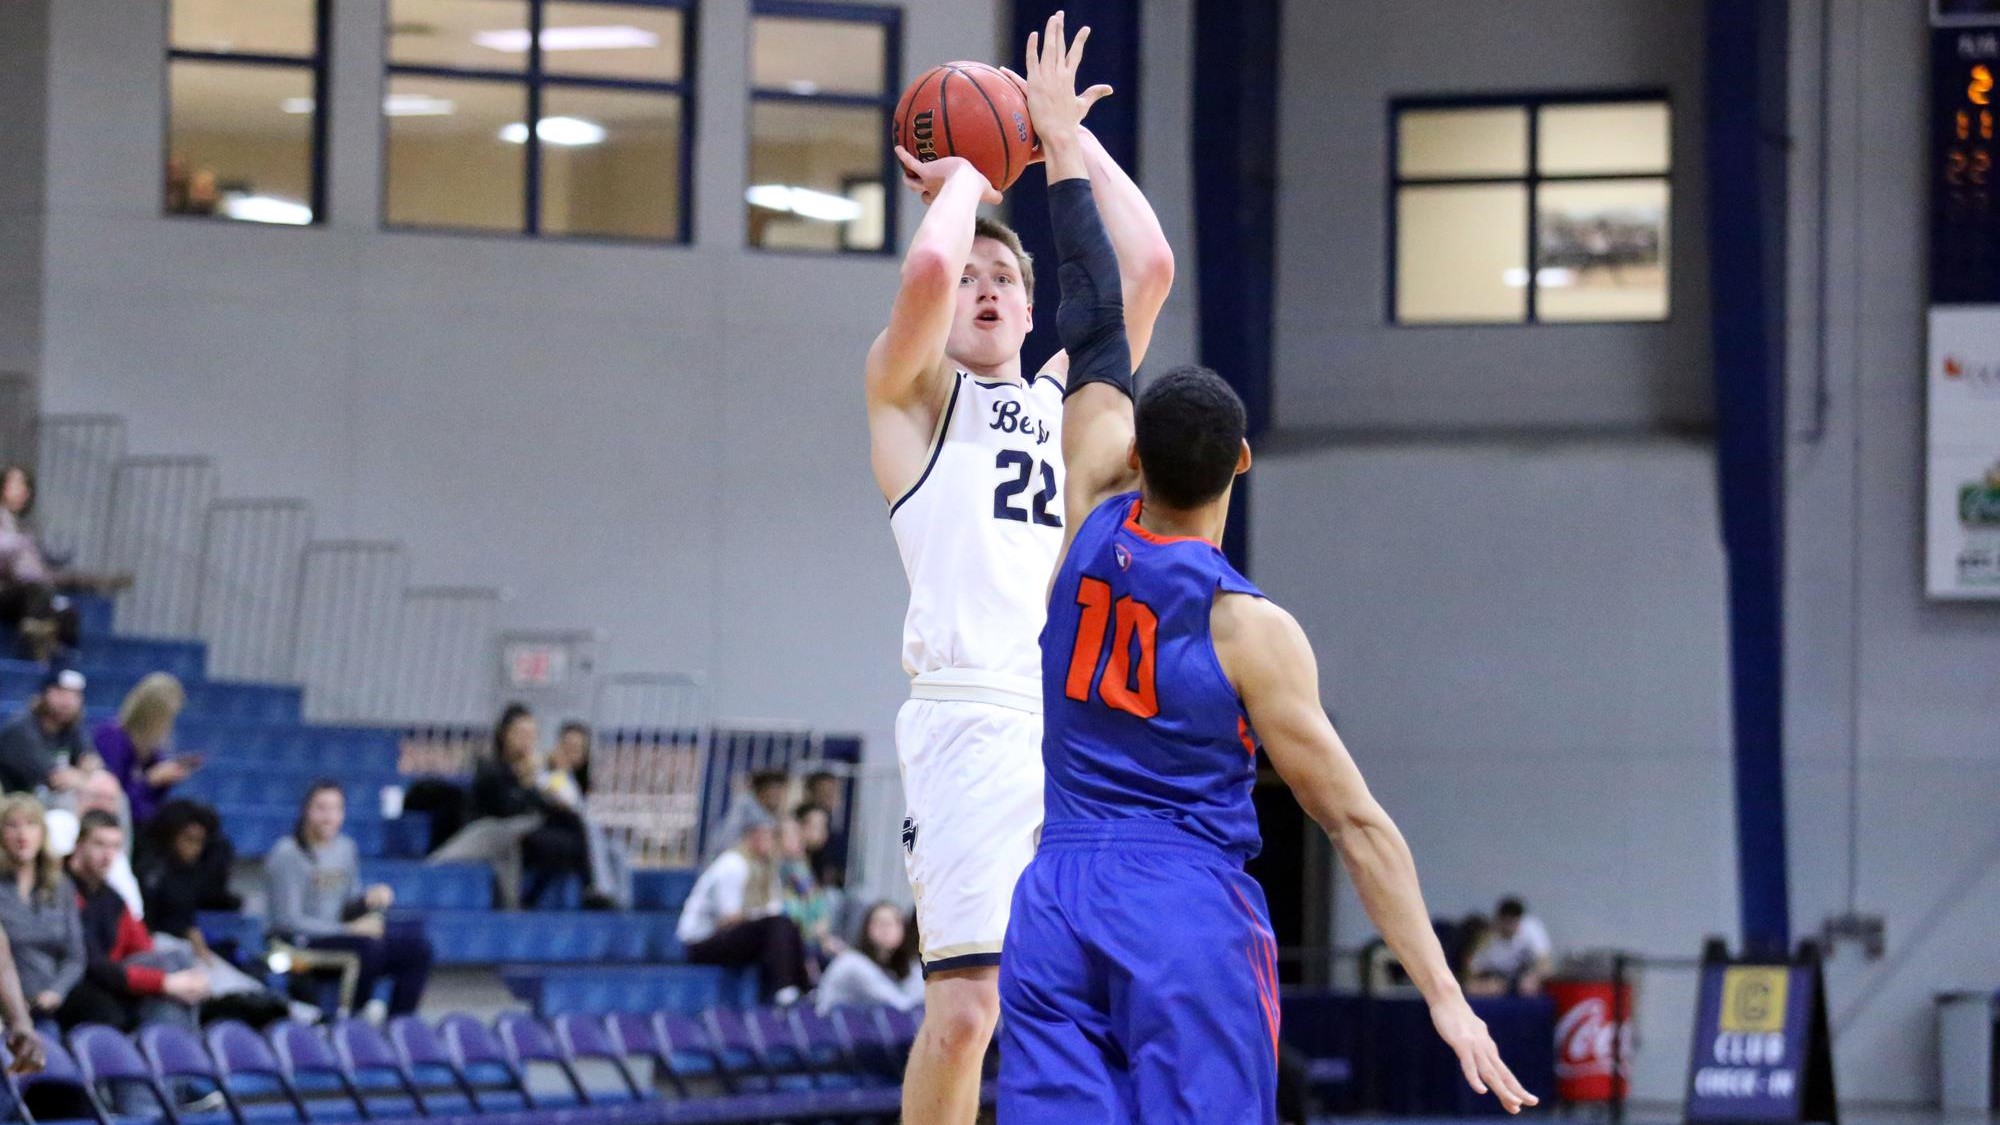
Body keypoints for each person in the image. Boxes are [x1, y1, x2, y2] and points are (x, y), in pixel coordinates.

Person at [996, 22, 1537, 1120]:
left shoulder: (1088, 504)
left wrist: (1058, 143)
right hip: (1179, 911)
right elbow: (1354, 825)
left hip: (1051, 895)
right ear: (1240, 462)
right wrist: (1443, 995)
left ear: (1134, 455)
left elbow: (1092, 311)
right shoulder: (1250, 631)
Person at [867, 20, 1174, 1124]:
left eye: (1009, 277)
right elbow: (931, 263)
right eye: (975, 283)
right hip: (963, 720)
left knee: (1092, 1000)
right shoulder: (907, 402)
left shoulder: (1062, 404)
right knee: (964, 1014)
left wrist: (1058, 144)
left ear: (1036, 310)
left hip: (1066, 721)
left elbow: (1146, 265)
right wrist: (963, 178)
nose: (984, 288)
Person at [265, 782, 433, 1017]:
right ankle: (354, 1018)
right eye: (321, 808)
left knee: (416, 948)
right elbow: (287, 920)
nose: (329, 817)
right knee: (368, 947)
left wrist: (368, 901)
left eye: (336, 809)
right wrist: (347, 929)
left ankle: (399, 1025)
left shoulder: (346, 848)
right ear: (306, 811)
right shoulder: (287, 852)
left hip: (341, 935)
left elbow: (348, 905)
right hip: (299, 941)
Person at [60, 811, 207, 1031]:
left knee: (178, 958)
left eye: (114, 847)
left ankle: (179, 1047)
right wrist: (164, 983)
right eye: (100, 844)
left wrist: (179, 981)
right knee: (168, 981)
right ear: (79, 844)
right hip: (73, 981)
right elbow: (91, 963)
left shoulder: (112, 897)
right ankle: (173, 1050)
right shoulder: (59, 889)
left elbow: (143, 949)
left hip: (110, 979)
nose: (108, 855)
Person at [676, 811, 811, 1005]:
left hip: (737, 936)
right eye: (769, 835)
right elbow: (728, 919)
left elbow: (773, 908)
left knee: (787, 925)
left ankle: (804, 989)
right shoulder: (732, 864)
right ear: (754, 836)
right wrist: (760, 918)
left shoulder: (766, 868)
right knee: (777, 926)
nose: (773, 842)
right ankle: (785, 990)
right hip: (701, 941)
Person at [0, 795, 85, 1026]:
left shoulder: (60, 886)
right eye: (12, 825)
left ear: (43, 832)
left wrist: (56, 991)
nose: (22, 835)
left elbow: (75, 955)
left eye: (30, 824)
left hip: (46, 1005)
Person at [541, 721, 631, 909]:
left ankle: (622, 906)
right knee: (589, 826)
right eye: (569, 747)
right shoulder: (549, 773)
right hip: (557, 828)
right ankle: (601, 887)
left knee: (618, 850)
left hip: (584, 834)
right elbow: (565, 803)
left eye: (579, 748)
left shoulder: (580, 777)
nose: (573, 753)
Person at [92, 674, 200, 828]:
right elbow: (114, 798)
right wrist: (150, 780)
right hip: (115, 820)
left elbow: (152, 803)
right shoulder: (113, 738)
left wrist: (164, 780)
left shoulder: (151, 748)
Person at [0, 467, 80, 662]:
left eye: (25, 485)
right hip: (7, 590)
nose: (22, 490)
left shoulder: (22, 526)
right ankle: (35, 644)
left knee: (68, 614)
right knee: (35, 589)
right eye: (16, 483)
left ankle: (60, 671)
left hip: (26, 595)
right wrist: (21, 545)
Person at [45, 769, 145, 918]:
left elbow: (134, 909)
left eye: (110, 799)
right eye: (97, 796)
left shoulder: (113, 847)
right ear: (79, 797)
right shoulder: (57, 822)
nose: (102, 804)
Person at [815, 901, 923, 1014]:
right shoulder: (852, 963)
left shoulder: (896, 966)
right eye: (879, 923)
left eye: (893, 923)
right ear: (866, 928)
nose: (886, 929)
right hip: (830, 1027)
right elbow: (902, 1005)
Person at [0, 669, 89, 798]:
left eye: (74, 695)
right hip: (13, 805)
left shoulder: (72, 729)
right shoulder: (21, 729)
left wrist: (83, 777)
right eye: (60, 692)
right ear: (44, 694)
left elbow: (92, 763)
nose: (67, 702)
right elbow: (56, 779)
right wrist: (84, 777)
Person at [1469, 898, 1554, 997]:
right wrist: (1485, 983)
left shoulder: (1531, 928)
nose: (1509, 927)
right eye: (1506, 922)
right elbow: (1472, 971)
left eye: (1513, 922)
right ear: (1499, 921)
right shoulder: (1488, 936)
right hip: (1496, 977)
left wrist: (1535, 977)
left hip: (1522, 976)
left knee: (1528, 986)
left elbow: (1546, 963)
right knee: (1476, 988)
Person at [704, 769, 789, 864]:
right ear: (761, 791)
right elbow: (726, 841)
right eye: (774, 791)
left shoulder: (770, 813)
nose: (778, 796)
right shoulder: (745, 806)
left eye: (780, 791)